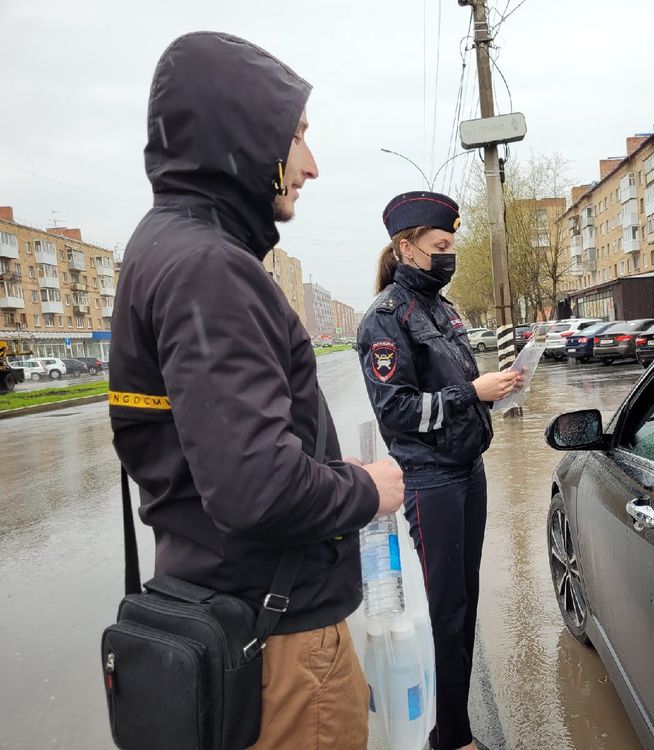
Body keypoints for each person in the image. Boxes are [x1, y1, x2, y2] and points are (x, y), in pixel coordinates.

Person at [109, 32, 403, 750]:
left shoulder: (160, 250)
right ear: (241, 131)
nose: (312, 164)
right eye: (296, 134)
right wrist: (368, 489)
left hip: (224, 612)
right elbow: (256, 488)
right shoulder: (210, 268)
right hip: (279, 644)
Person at [357, 191, 521, 750]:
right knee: (449, 614)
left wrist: (492, 392)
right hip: (432, 481)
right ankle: (452, 738)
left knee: (465, 606)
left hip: (468, 471)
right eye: (440, 246)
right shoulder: (384, 319)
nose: (449, 255)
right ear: (407, 247)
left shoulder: (444, 310)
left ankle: (453, 728)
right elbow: (397, 410)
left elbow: (452, 390)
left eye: (452, 245)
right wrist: (470, 392)